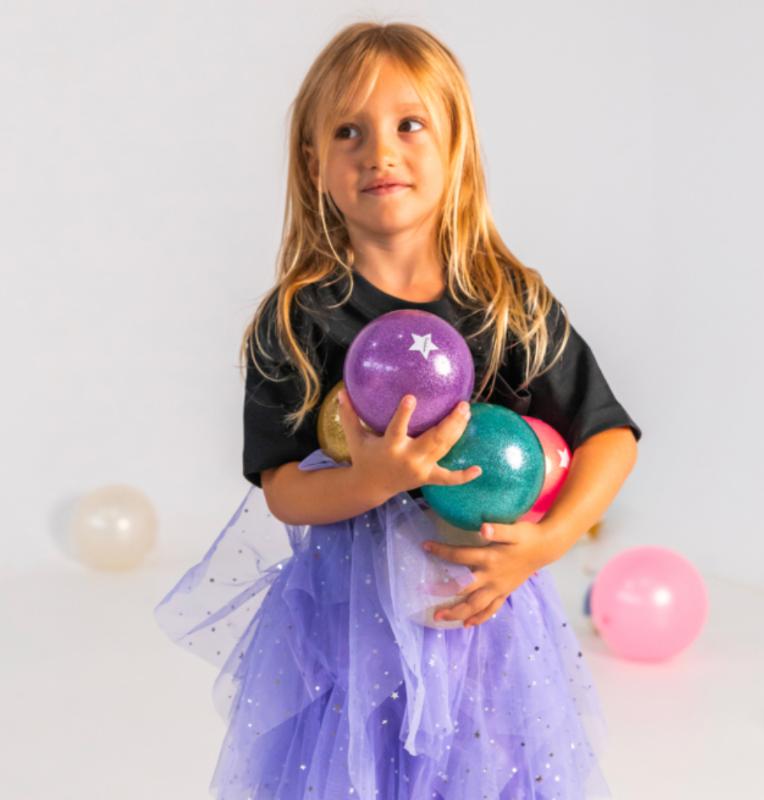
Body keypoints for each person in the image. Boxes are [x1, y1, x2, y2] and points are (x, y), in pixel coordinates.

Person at [155, 21, 642, 800]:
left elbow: (608, 436)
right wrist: (373, 479)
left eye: (409, 124)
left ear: (456, 145)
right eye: (348, 132)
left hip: (482, 619)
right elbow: (283, 488)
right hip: (352, 628)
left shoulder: (507, 304)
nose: (379, 152)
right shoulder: (299, 318)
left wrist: (547, 541)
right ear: (313, 163)